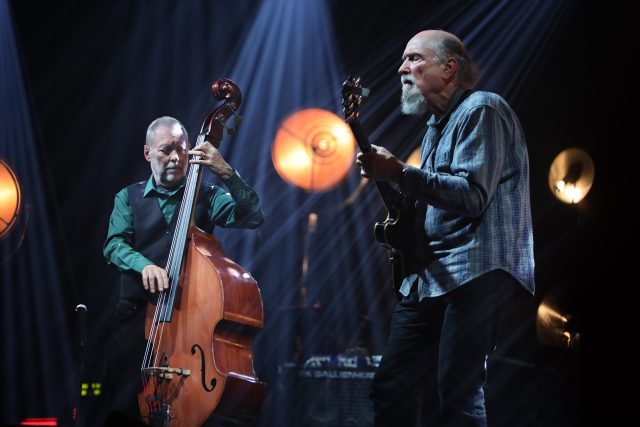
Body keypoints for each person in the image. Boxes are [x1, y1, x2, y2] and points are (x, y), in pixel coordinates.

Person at [356, 30, 535, 427]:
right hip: (431, 276)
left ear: (449, 67)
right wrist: (397, 191)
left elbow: (472, 195)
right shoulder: (436, 127)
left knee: (457, 391)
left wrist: (400, 171)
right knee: (391, 386)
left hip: (476, 268)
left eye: (414, 59)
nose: (402, 68)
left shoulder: (482, 109)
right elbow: (433, 205)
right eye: (404, 59)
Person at [102, 116, 264, 425]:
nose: (176, 157)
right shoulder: (128, 197)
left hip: (190, 325)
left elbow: (254, 216)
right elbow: (114, 245)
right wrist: (144, 265)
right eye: (166, 150)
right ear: (148, 153)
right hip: (136, 320)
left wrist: (226, 172)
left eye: (182, 149)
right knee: (122, 410)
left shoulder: (208, 196)